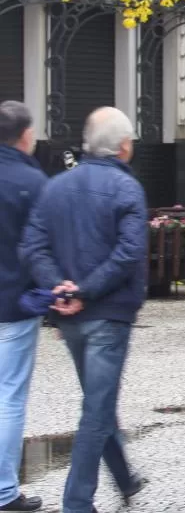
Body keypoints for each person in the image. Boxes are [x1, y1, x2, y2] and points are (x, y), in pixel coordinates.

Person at [19, 107, 148, 513]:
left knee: (98, 400)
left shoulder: (55, 187)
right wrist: (86, 291)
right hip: (108, 313)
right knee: (97, 407)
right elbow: (130, 251)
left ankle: (125, 479)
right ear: (124, 146)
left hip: (70, 315)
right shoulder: (127, 190)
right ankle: (77, 503)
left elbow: (32, 246)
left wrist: (59, 287)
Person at [0, 102, 47, 513]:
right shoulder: (32, 181)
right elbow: (42, 247)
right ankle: (4, 492)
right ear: (25, 135)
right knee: (10, 397)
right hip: (14, 305)